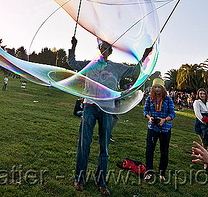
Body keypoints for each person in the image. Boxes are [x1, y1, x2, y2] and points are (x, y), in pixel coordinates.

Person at [68, 36, 152, 195]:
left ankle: (102, 182)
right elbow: (72, 64)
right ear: (99, 50)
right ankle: (79, 178)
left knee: (104, 147)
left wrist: (145, 56)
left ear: (111, 51)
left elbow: (135, 71)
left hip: (107, 109)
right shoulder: (90, 64)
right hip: (89, 107)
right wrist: (73, 46)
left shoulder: (117, 67)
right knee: (83, 144)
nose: (104, 50)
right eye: (102, 47)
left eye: (107, 48)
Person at [143, 84, 175, 181]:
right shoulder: (150, 98)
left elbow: (172, 113)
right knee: (149, 149)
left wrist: (164, 120)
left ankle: (162, 172)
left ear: (163, 89)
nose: (157, 89)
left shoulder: (168, 99)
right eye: (155, 87)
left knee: (164, 151)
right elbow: (145, 111)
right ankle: (149, 171)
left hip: (165, 129)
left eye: (159, 87)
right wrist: (149, 118)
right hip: (152, 128)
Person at [193, 88, 208, 161]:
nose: (202, 95)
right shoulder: (197, 102)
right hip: (202, 122)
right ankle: (203, 156)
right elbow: (198, 114)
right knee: (204, 140)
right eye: (201, 94)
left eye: (204, 94)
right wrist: (204, 122)